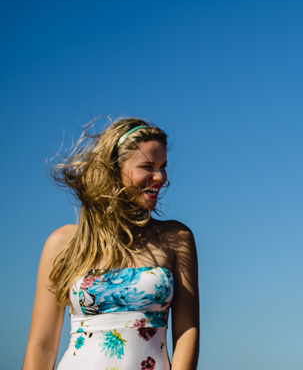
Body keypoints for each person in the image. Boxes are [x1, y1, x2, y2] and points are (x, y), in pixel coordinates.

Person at [23, 119, 199, 370]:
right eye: (147, 166)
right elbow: (43, 346)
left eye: (163, 167)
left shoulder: (175, 237)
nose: (160, 177)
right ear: (112, 170)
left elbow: (187, 331)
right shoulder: (62, 243)